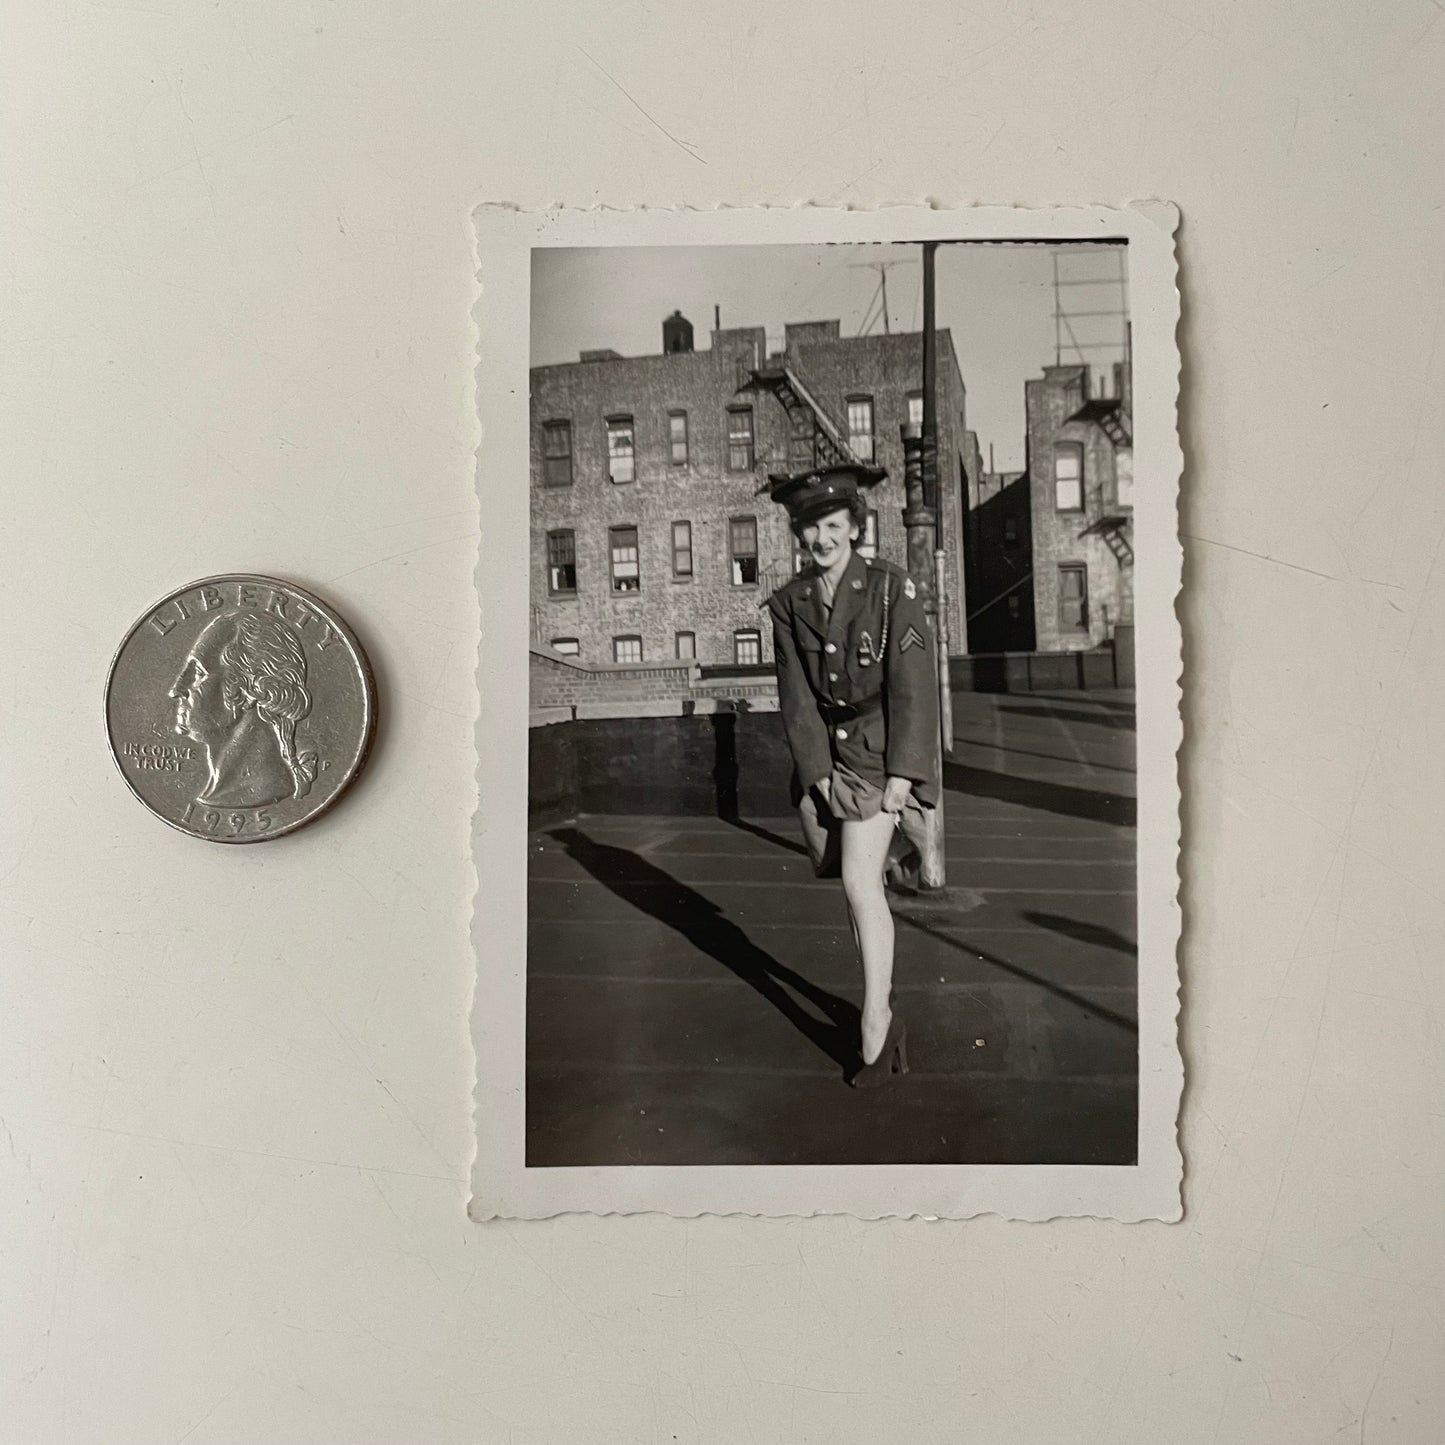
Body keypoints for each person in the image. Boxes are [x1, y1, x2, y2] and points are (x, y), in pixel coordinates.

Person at [764, 462, 941, 1088]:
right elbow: (796, 699)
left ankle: (877, 1016)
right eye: (810, 529)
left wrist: (903, 775)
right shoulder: (788, 605)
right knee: (855, 889)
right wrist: (814, 773)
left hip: (877, 752)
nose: (821, 540)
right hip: (828, 766)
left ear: (854, 528)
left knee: (859, 884)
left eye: (833, 525)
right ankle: (880, 1004)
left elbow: (915, 691)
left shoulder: (893, 591)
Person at [169, 609, 318, 809]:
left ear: (246, 690)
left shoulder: (262, 789)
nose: (176, 690)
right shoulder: (222, 791)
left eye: (197, 673)